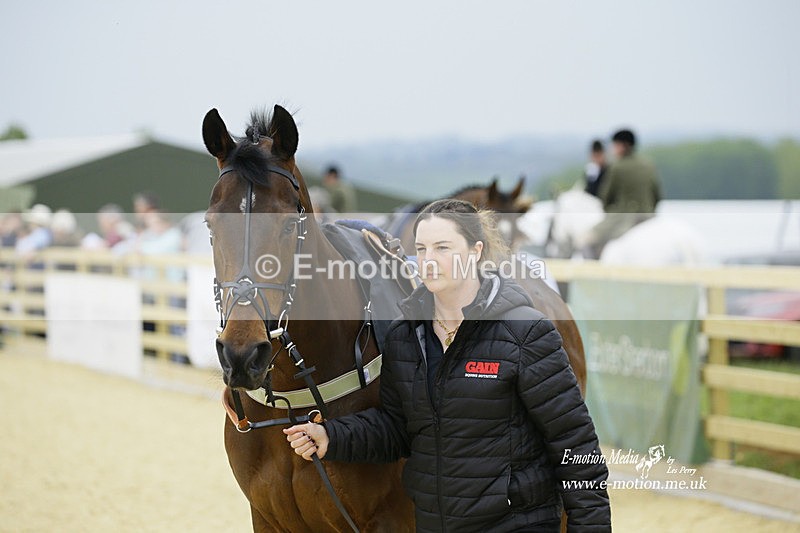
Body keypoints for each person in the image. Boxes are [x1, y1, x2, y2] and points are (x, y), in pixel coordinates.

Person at [285, 199, 611, 532]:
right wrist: (331, 436)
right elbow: (399, 430)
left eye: (443, 248)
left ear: (475, 251)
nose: (429, 260)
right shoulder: (404, 335)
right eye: (422, 249)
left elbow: (576, 446)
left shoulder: (525, 332)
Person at [584, 128, 662, 258]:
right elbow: (657, 196)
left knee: (586, 240)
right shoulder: (649, 164)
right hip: (650, 216)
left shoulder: (617, 166)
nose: (613, 149)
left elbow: (606, 197)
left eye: (615, 145)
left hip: (625, 219)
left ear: (623, 146)